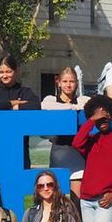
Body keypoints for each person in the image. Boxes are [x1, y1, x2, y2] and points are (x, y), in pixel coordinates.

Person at [0, 55, 41, 169]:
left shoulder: (25, 91)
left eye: (8, 71)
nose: (4, 75)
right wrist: (12, 103)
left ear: (16, 71)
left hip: (21, 147)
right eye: (1, 72)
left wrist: (15, 108)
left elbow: (36, 105)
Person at [41, 66, 90, 198]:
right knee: (56, 201)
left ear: (76, 83)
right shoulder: (50, 100)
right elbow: (44, 107)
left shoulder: (83, 100)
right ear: (59, 82)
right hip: (59, 153)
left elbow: (93, 106)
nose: (68, 85)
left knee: (76, 201)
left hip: (77, 155)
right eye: (65, 81)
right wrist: (72, 108)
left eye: (72, 81)